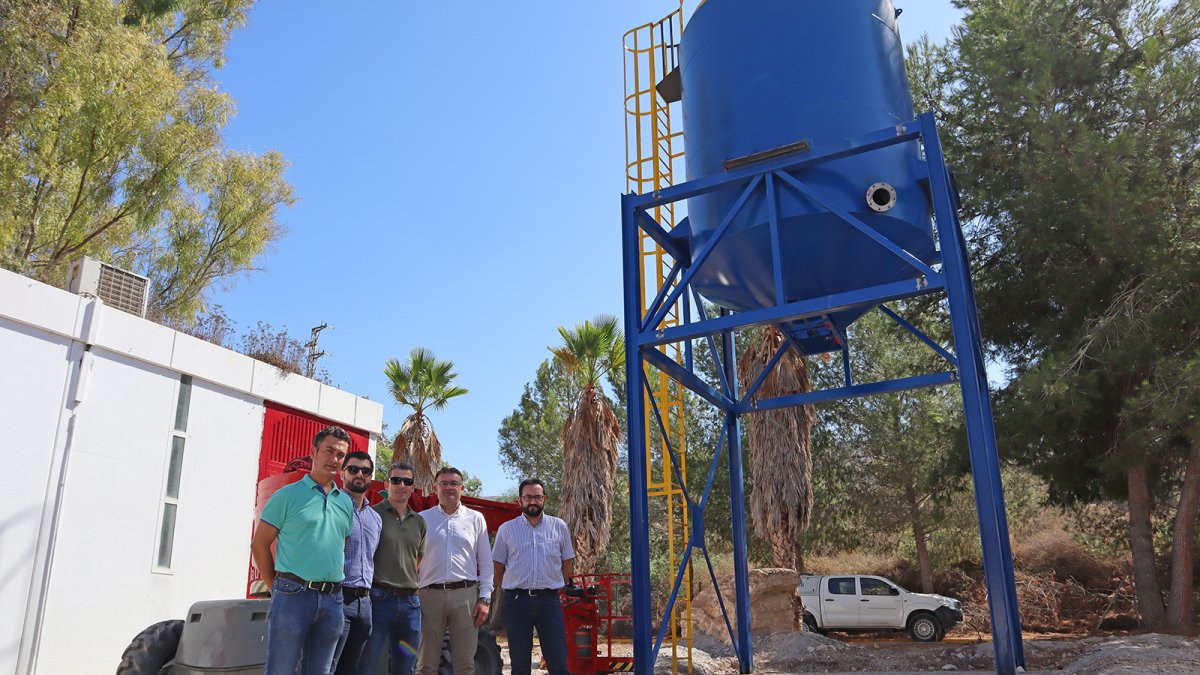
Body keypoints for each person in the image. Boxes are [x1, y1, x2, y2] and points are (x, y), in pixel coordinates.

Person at [251, 426, 355, 675]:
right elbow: (259, 544)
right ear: (313, 452)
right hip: (293, 595)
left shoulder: (345, 502)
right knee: (281, 669)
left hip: (333, 600)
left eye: (341, 455)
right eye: (329, 451)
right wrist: (276, 586)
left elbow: (340, 546)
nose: (335, 459)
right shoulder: (286, 496)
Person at [491, 478, 575, 675]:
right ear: (520, 500)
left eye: (537, 497)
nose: (533, 501)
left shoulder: (559, 527)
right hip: (517, 601)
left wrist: (558, 584)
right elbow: (497, 565)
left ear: (544, 499)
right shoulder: (507, 529)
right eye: (528, 497)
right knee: (520, 662)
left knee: (558, 659)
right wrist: (507, 587)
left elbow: (567, 562)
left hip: (549, 601)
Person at [415, 467, 494, 675]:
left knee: (465, 664)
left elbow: (485, 561)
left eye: (453, 483)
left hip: (465, 596)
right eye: (444, 483)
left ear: (462, 488)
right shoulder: (422, 519)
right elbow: (413, 559)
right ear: (435, 488)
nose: (449, 487)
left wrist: (485, 598)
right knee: (425, 664)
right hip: (428, 595)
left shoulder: (476, 519)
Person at [358, 461, 426, 675]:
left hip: (411, 605)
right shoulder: (372, 515)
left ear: (413, 486)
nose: (401, 485)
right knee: (367, 664)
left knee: (405, 668)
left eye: (407, 481)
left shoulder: (419, 522)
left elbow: (417, 560)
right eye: (396, 480)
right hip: (379, 600)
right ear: (387, 484)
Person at [330, 451, 382, 675]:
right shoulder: (332, 507)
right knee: (326, 666)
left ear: (371, 476)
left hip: (365, 604)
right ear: (343, 473)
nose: (359, 474)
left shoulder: (375, 518)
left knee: (351, 669)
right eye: (353, 469)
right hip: (338, 598)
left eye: (365, 470)